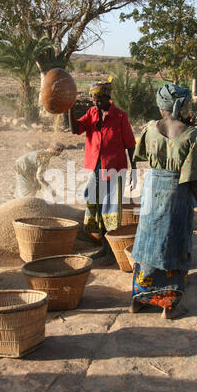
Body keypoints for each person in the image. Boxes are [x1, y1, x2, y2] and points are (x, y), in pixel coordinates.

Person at [129, 83, 197, 319]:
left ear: (161, 106)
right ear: (180, 105)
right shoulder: (194, 136)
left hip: (152, 190)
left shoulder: (150, 128)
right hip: (176, 194)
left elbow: (140, 155)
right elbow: (195, 180)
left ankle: (138, 300)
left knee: (148, 242)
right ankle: (169, 306)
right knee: (173, 245)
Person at [68, 77, 136, 262]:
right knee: (93, 203)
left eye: (98, 99)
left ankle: (110, 251)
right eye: (93, 98)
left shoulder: (121, 117)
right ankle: (103, 247)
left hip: (115, 169)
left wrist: (134, 170)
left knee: (110, 208)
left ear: (107, 97)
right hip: (95, 168)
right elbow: (75, 129)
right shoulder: (91, 113)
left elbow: (130, 144)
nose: (95, 102)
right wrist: (70, 108)